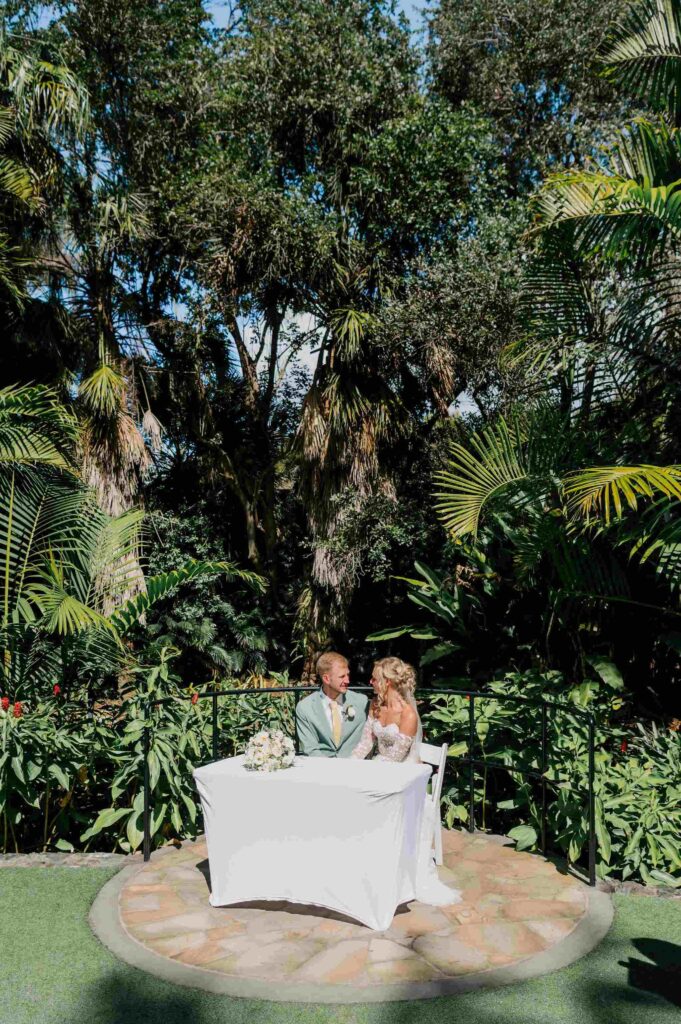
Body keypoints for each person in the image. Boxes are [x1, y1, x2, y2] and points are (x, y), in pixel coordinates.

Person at [352, 656, 461, 907]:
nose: (370, 682)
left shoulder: (408, 714)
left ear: (388, 682)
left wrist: (368, 772)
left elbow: (397, 757)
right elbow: (365, 744)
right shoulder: (375, 706)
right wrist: (349, 765)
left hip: (403, 776)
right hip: (381, 769)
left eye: (375, 679)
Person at [296, 652, 369, 758]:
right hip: (322, 769)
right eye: (342, 676)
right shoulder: (305, 708)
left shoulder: (361, 702)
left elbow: (368, 739)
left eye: (348, 675)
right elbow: (310, 749)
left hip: (355, 766)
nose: (347, 680)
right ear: (326, 679)